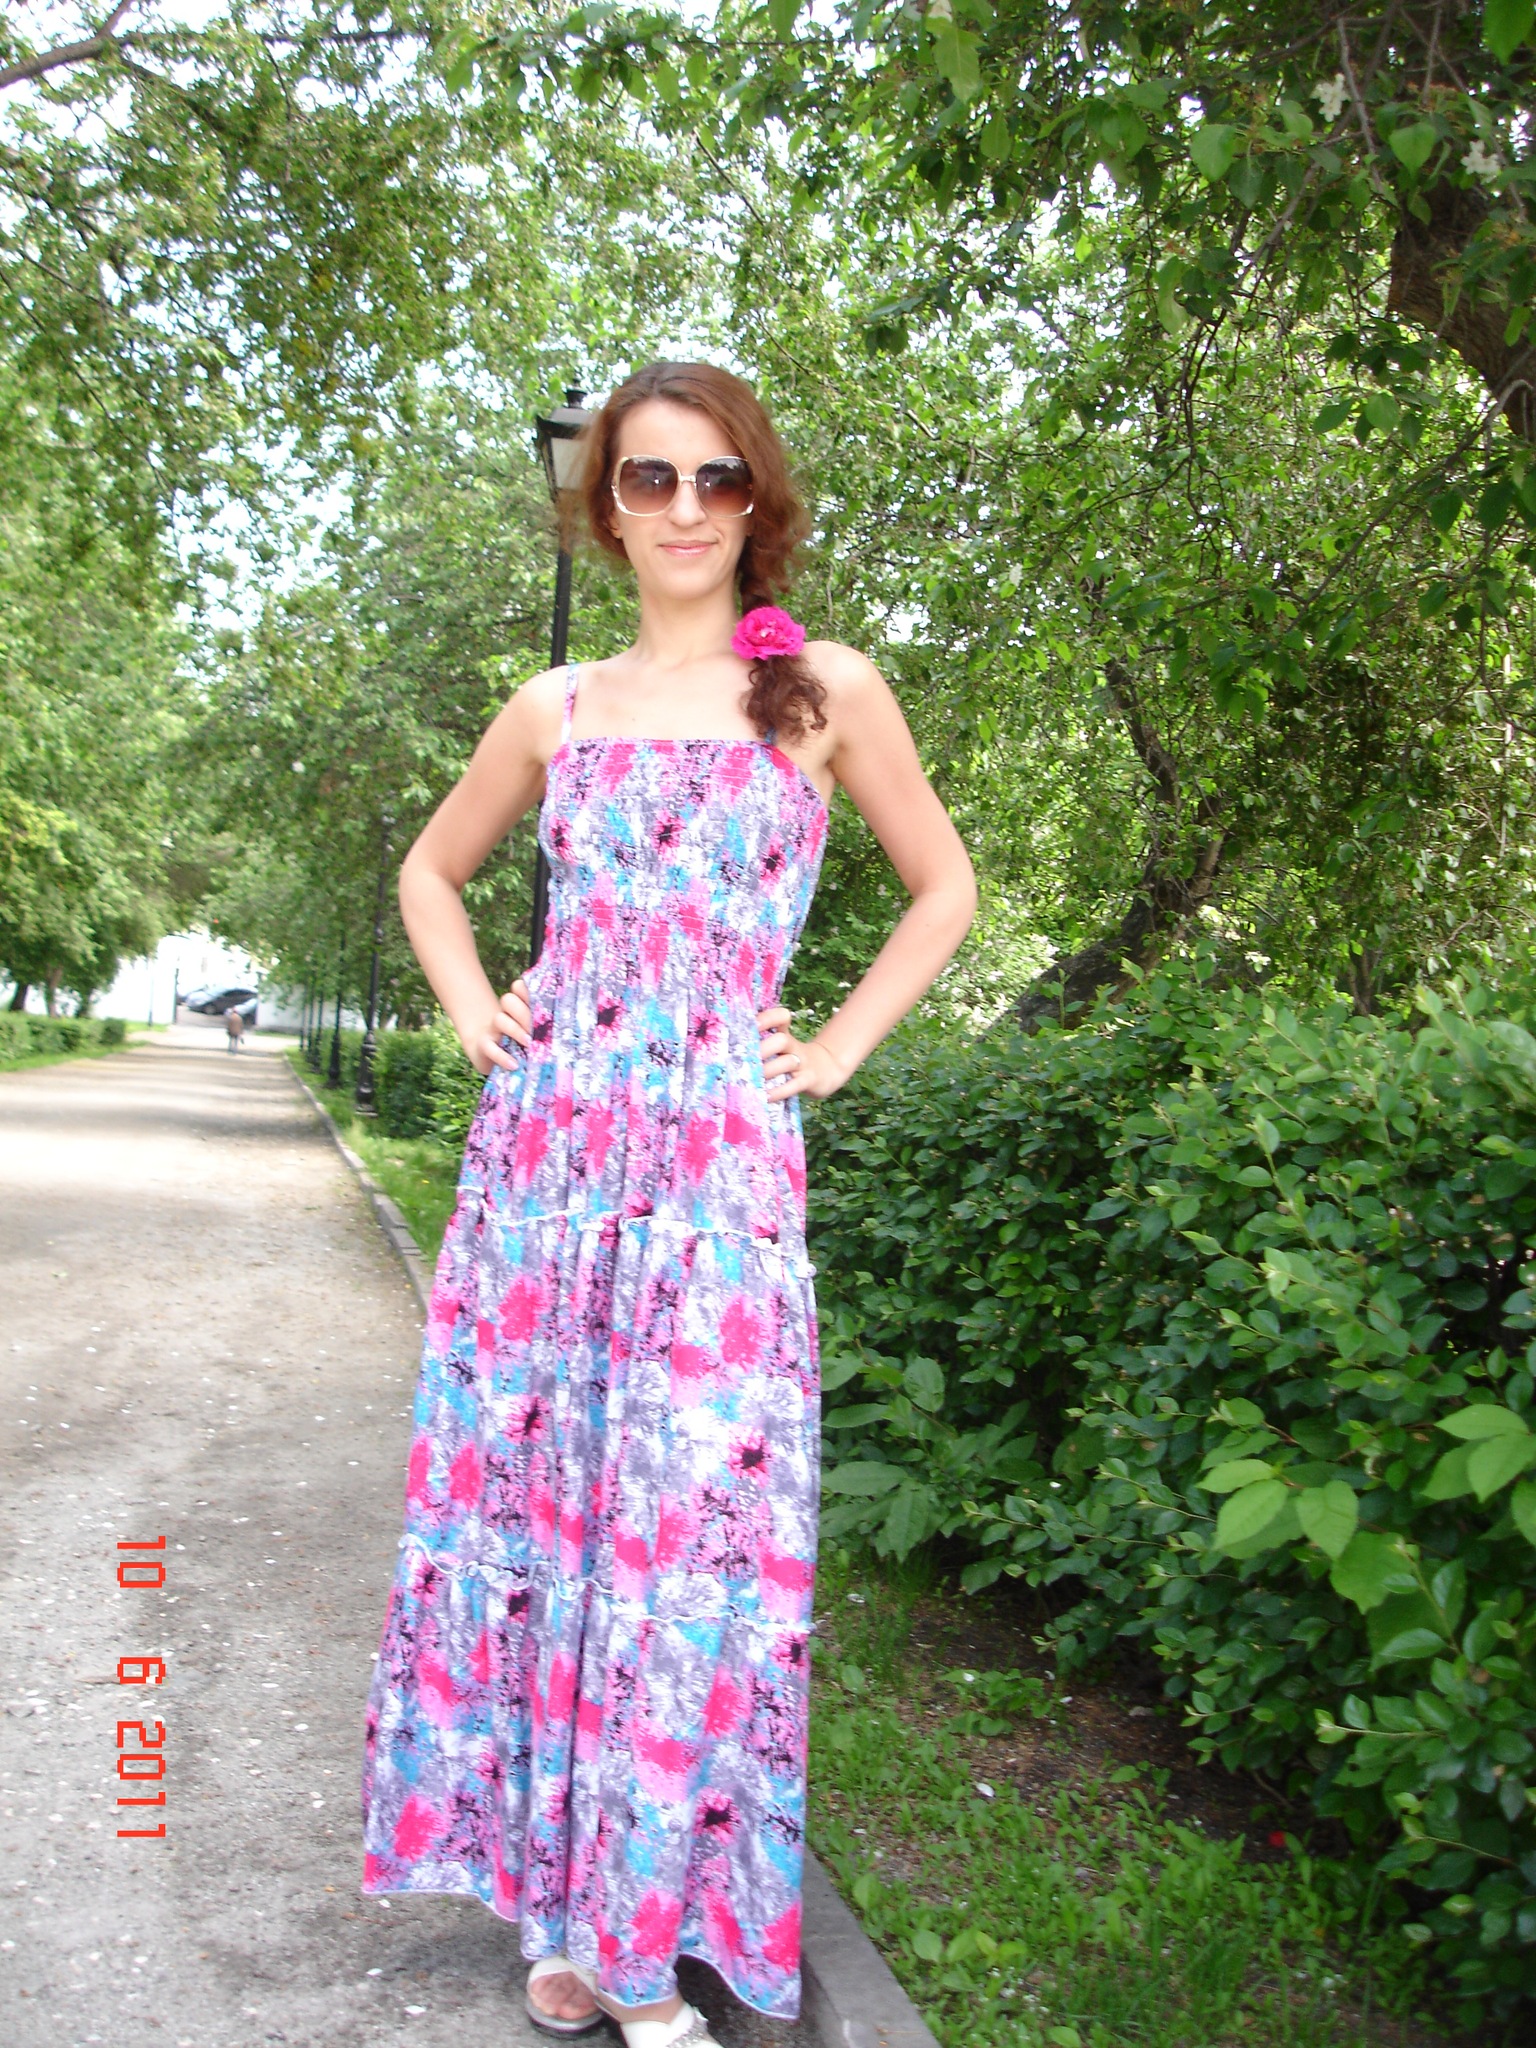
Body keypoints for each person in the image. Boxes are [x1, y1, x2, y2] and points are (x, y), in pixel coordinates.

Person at [360, 361, 976, 2048]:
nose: (686, 508)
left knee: (690, 1542)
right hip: (548, 1177)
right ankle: (567, 1920)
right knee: (548, 1526)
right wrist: (478, 1012)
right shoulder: (556, 706)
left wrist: (834, 1048)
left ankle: (645, 1930)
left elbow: (943, 887)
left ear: (757, 499)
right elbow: (430, 871)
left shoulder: (824, 689)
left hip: (715, 1180)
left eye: (717, 478)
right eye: (649, 479)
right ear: (607, 507)